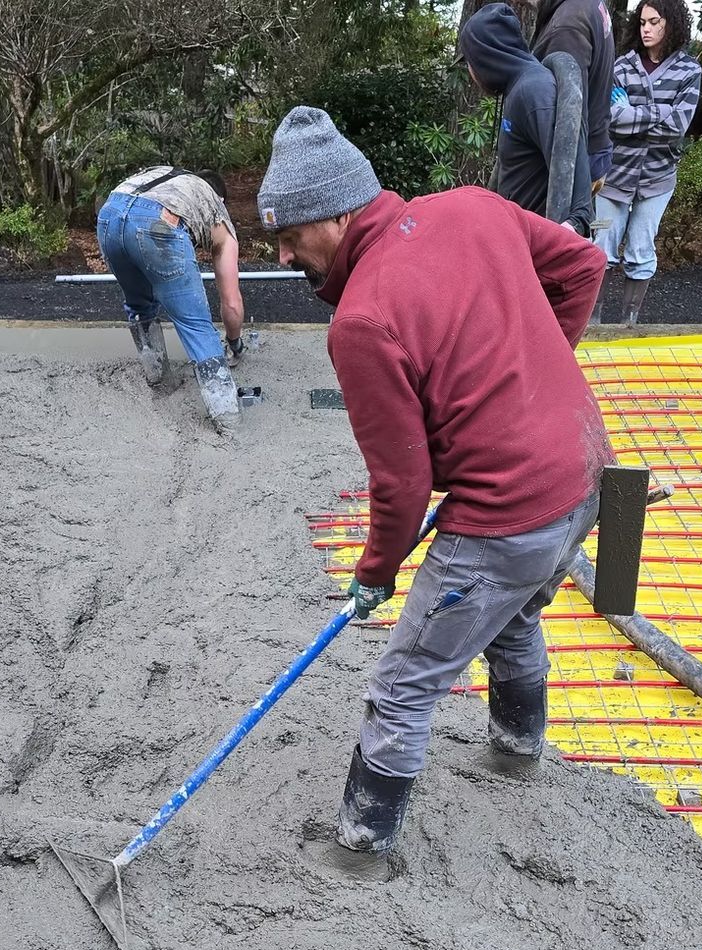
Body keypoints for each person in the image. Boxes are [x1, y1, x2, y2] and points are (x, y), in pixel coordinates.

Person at [256, 107, 613, 870]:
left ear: (342, 211)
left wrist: (373, 574)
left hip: (508, 513)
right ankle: (518, 750)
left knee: (403, 684)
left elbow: (402, 482)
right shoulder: (473, 206)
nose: (283, 252)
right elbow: (585, 266)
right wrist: (536, 379)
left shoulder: (361, 321)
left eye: (291, 234)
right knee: (511, 615)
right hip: (584, 473)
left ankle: (359, 848)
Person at [96, 165, 247, 432]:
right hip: (159, 222)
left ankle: (159, 379)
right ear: (221, 199)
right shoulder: (216, 209)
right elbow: (232, 303)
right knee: (195, 324)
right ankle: (228, 419)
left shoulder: (168, 177)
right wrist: (235, 345)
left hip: (109, 215)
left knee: (140, 306)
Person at [598, 0, 701, 324]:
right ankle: (591, 325)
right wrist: (658, 112)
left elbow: (677, 128)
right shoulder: (621, 67)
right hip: (615, 175)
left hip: (657, 178)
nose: (646, 29)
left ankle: (629, 326)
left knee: (641, 251)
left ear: (671, 24)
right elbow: (613, 121)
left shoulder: (689, 71)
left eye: (654, 22)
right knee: (600, 250)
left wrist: (633, 113)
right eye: (642, 22)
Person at [458, 3, 558, 219]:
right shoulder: (519, 87)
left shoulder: (533, 90)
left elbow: (567, 174)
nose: (470, 72)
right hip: (515, 231)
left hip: (535, 239)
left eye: (469, 62)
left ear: (485, 57)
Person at [530, 0, 615, 194]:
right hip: (594, 151)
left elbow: (569, 119)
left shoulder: (567, 26)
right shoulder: (584, 5)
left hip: (573, 166)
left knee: (556, 225)